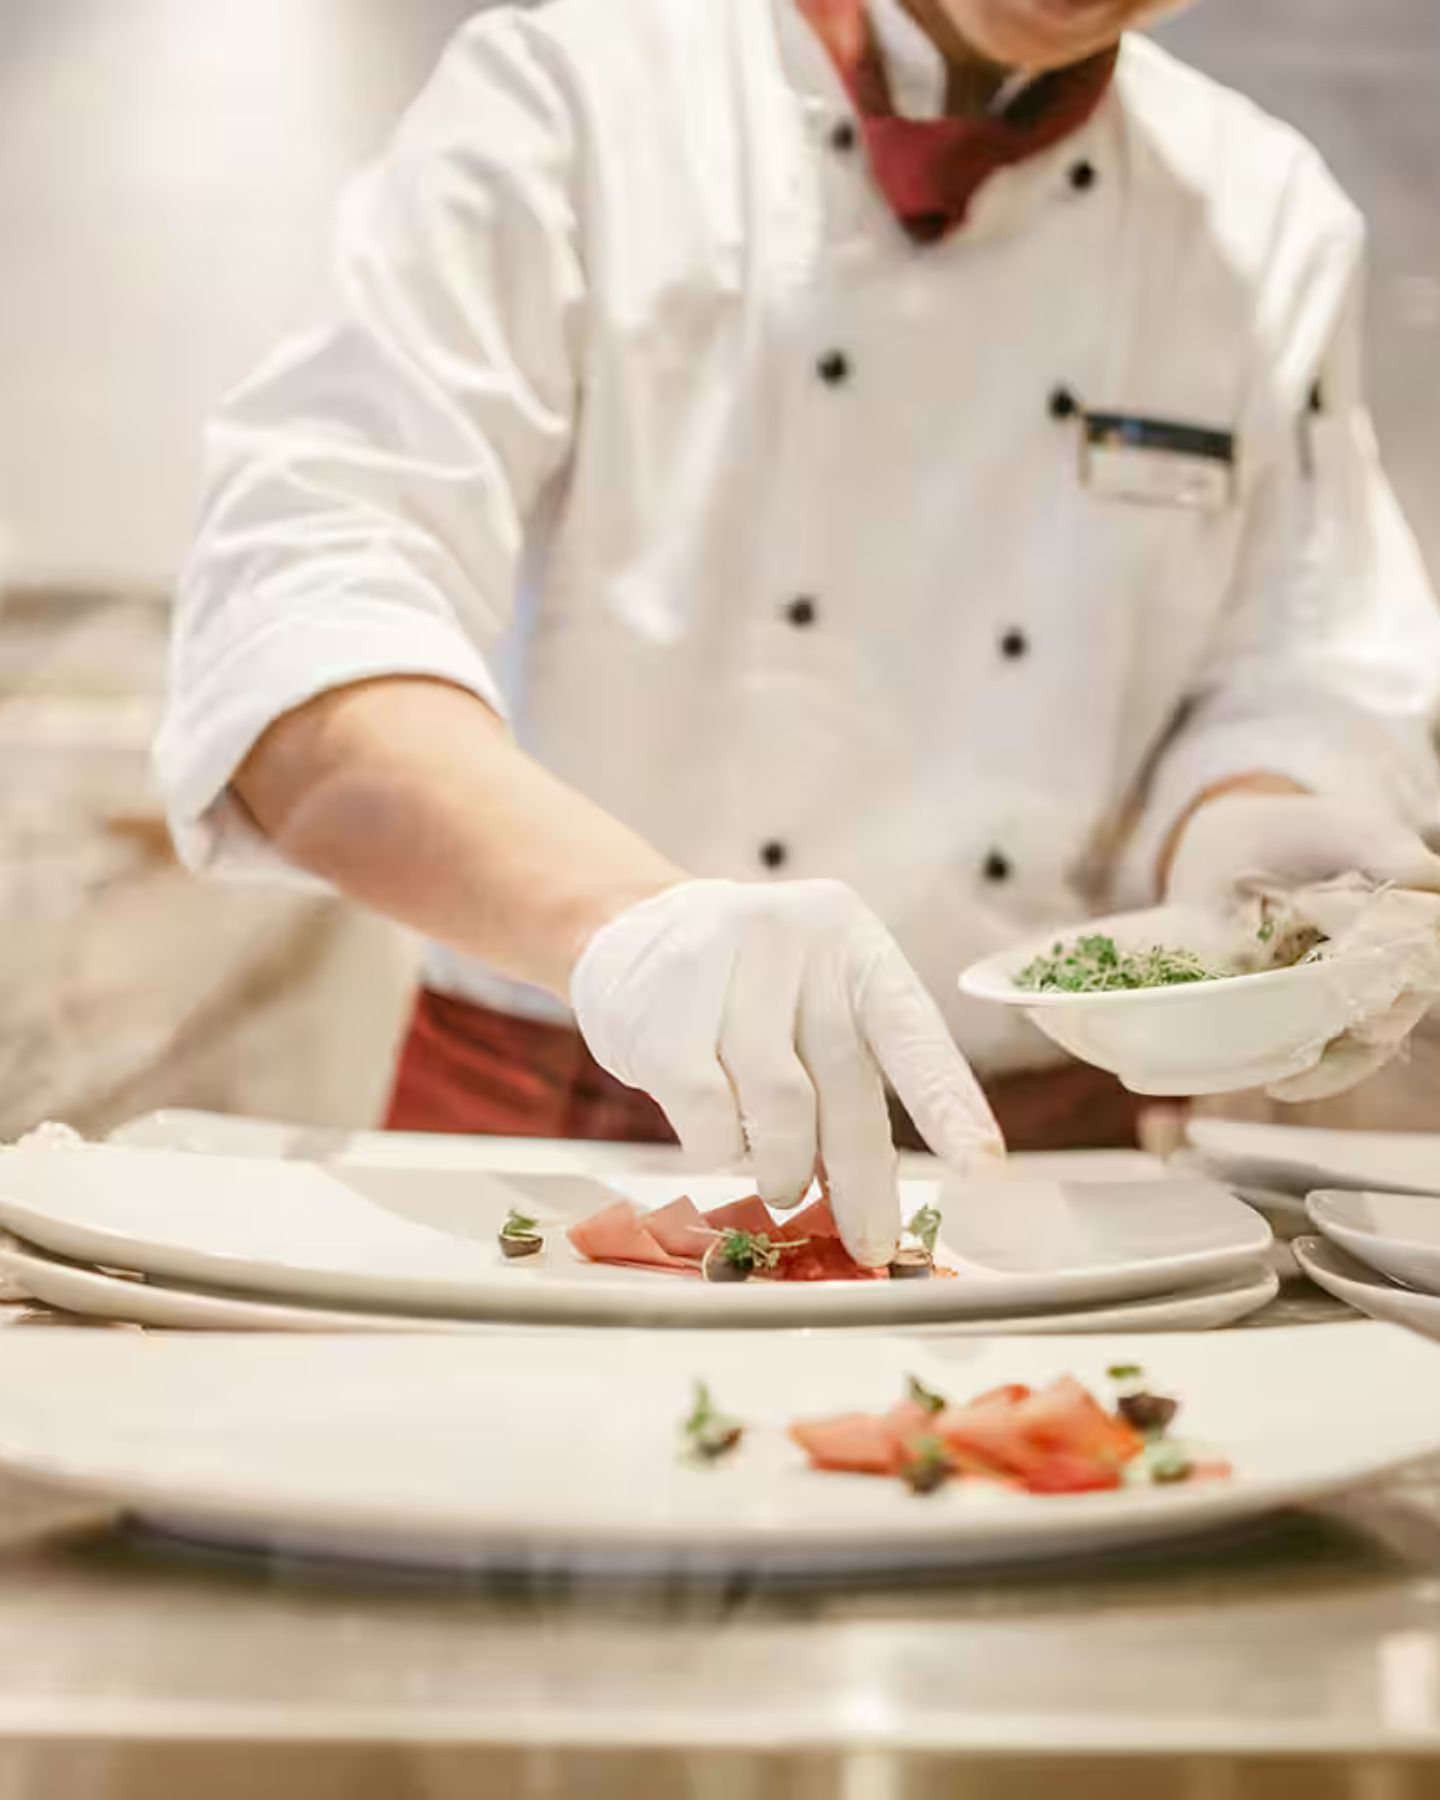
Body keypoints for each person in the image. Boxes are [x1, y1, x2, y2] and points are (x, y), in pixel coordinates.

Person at [156, 0, 1440, 1267]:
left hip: (1046, 1173)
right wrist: (631, 931)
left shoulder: (1264, 212)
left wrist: (1249, 823)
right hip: (563, 1133)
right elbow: (299, 625)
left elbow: (1292, 661)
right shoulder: (573, 99)